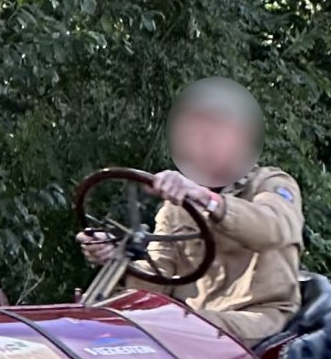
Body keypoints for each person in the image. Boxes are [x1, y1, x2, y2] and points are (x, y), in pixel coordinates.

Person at [77, 78, 303, 343]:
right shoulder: (176, 207)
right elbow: (157, 279)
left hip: (260, 319)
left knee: (173, 327)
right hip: (196, 318)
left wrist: (204, 198)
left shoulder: (272, 184)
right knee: (98, 322)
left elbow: (274, 229)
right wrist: (116, 256)